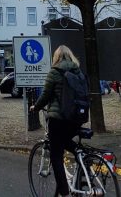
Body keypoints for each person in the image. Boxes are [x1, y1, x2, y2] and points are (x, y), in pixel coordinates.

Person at [29, 45, 83, 197]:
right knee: (65, 141)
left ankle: (65, 194)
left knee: (56, 156)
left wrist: (36, 107)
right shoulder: (78, 71)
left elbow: (45, 95)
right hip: (76, 119)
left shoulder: (54, 72)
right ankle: (82, 156)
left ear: (56, 57)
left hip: (58, 119)